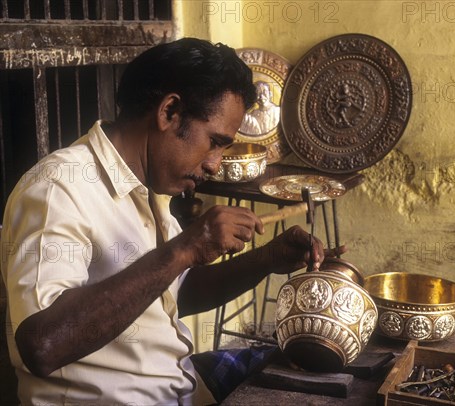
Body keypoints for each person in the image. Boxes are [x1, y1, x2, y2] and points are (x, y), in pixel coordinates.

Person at [0, 38, 324, 405]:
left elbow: (173, 294)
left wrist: (268, 259)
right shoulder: (59, 187)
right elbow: (43, 345)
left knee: (307, 368)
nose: (214, 164)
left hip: (181, 386)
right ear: (169, 111)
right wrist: (184, 248)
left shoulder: (149, 184)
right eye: (214, 141)